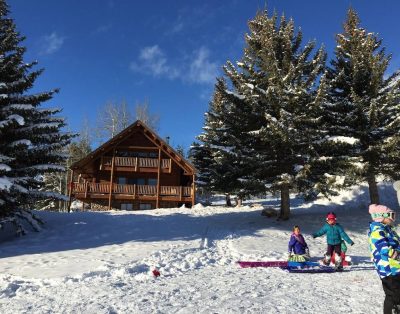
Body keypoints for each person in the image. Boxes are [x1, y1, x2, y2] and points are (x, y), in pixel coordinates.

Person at [368, 204, 400, 314]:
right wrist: (396, 254)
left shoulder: (388, 229)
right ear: (381, 216)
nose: (392, 218)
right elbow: (383, 249)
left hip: (395, 268)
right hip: (388, 269)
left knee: (397, 293)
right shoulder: (377, 231)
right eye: (390, 215)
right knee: (392, 294)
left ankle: (397, 308)